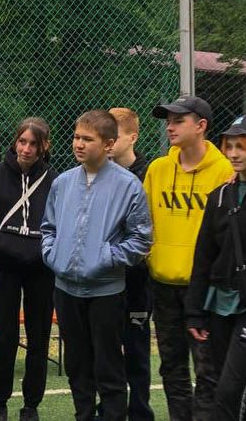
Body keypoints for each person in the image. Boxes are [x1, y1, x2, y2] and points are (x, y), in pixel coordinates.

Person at [41, 110, 152, 421]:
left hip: (107, 292)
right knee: (77, 367)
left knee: (109, 368)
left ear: (108, 144)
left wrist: (105, 259)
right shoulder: (63, 182)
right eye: (76, 137)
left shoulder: (128, 185)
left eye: (87, 139)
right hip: (66, 290)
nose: (79, 144)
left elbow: (141, 239)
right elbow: (48, 228)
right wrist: (54, 256)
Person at [144, 96, 234, 421]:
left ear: (201, 126)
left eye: (178, 121)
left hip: (206, 291)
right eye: (168, 121)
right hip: (163, 285)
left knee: (208, 371)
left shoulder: (225, 171)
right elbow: (144, 223)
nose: (170, 127)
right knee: (172, 368)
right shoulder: (157, 169)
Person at [0, 117, 57, 421]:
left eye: (33, 144)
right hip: (5, 267)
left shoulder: (54, 180)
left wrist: (40, 251)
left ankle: (31, 404)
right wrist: (5, 246)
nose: (26, 149)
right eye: (22, 141)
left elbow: (60, 223)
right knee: (2, 336)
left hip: (41, 269)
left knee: (39, 336)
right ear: (15, 142)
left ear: (44, 146)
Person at [186, 115, 246, 421]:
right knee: (223, 385)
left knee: (230, 391)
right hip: (220, 305)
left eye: (242, 147)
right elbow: (204, 256)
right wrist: (194, 311)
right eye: (230, 146)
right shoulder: (220, 196)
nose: (234, 153)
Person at [106, 107, 153, 421]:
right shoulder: (98, 173)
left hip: (137, 279)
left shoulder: (150, 174)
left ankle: (139, 412)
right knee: (106, 349)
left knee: (136, 349)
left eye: (116, 135)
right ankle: (108, 410)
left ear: (133, 137)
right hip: (106, 277)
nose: (109, 142)